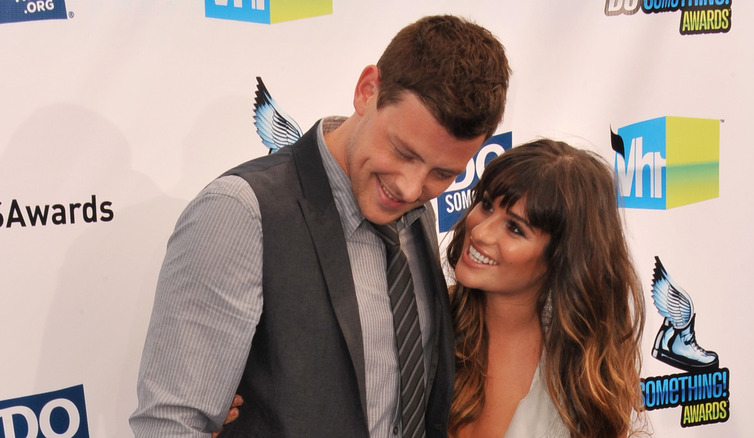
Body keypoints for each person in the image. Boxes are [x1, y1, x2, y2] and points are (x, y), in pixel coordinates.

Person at [129, 14, 510, 438]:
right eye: (402, 152)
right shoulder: (243, 211)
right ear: (368, 91)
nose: (410, 187)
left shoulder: (417, 210)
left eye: (443, 173)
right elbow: (170, 424)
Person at [445, 139, 646, 438]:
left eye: (515, 228)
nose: (479, 230)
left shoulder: (587, 376)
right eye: (486, 206)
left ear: (561, 258)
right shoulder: (426, 320)